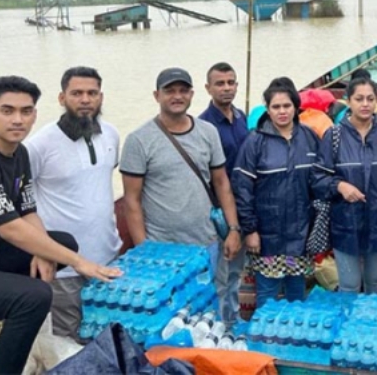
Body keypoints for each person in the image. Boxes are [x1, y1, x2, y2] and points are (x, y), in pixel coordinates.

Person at [0, 76, 121, 375]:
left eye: (26, 111)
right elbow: (10, 228)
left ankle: (19, 312)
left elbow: (28, 211)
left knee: (62, 242)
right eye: (7, 110)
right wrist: (81, 264)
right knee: (34, 297)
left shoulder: (20, 154)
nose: (18, 119)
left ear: (35, 115)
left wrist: (45, 251)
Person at [25, 66, 122, 342]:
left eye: (92, 93)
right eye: (76, 93)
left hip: (107, 259)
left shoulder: (111, 134)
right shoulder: (40, 144)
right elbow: (19, 201)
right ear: (61, 98)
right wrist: (37, 248)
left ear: (101, 97)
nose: (85, 99)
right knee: (66, 342)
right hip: (64, 269)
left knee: (106, 335)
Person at [120, 68, 241, 258]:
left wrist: (233, 229)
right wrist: (144, 249)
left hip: (207, 241)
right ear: (156, 95)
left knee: (216, 287)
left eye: (183, 91)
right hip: (161, 246)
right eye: (169, 91)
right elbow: (131, 200)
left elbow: (221, 182)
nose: (177, 96)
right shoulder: (138, 140)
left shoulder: (208, 132)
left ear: (191, 94)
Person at [232, 78, 320, 308]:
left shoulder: (309, 138)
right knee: (267, 294)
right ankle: (265, 339)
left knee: (296, 290)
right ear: (268, 110)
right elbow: (242, 188)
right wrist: (250, 229)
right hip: (268, 234)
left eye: (287, 106)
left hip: (300, 232)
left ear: (296, 107)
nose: (282, 112)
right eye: (276, 107)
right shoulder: (255, 141)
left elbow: (319, 182)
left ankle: (294, 337)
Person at [312, 76, 377, 293]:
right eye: (359, 99)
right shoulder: (334, 135)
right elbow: (318, 179)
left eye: (370, 99)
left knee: (376, 283)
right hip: (345, 223)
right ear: (348, 101)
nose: (365, 104)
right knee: (350, 285)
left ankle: (372, 326)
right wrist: (340, 186)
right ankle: (348, 326)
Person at [198, 62, 249, 330]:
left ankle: (233, 318)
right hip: (217, 212)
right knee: (219, 273)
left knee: (236, 272)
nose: (226, 88)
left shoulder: (241, 118)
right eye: (220, 83)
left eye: (231, 82)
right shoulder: (203, 125)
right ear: (208, 88)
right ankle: (219, 325)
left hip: (242, 208)